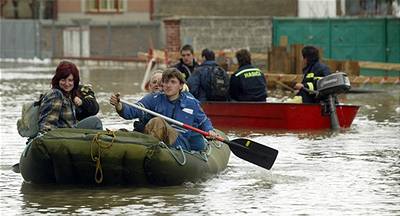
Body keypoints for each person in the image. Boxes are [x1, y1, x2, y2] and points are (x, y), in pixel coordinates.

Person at [110, 68, 218, 151]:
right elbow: (133, 111)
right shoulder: (154, 98)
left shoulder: (191, 102)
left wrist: (210, 131)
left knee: (158, 122)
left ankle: (150, 150)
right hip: (159, 141)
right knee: (152, 123)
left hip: (181, 142)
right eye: (166, 82)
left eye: (172, 82)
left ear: (180, 86)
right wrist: (119, 105)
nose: (168, 85)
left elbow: (204, 121)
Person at [38, 61, 102, 133]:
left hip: (70, 133)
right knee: (95, 122)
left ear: (75, 81)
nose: (67, 84)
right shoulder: (56, 94)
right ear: (58, 80)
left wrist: (82, 102)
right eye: (63, 80)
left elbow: (94, 108)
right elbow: (46, 127)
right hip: (61, 137)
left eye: (70, 80)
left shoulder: (72, 93)